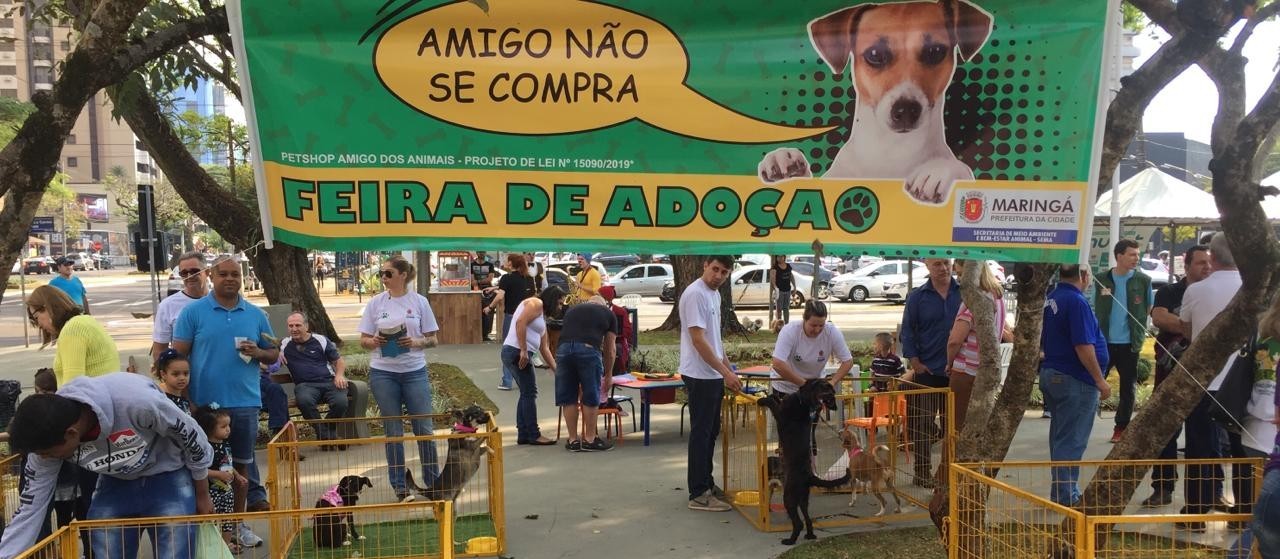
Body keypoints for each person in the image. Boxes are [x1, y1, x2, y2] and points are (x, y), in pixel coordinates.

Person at [0, 373, 214, 559]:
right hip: (116, 479)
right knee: (106, 543)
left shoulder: (138, 403)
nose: (44, 459)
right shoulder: (45, 441)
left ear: (71, 434)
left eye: (47, 454)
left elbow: (194, 440)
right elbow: (30, 507)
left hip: (168, 472)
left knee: (175, 547)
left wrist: (202, 494)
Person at [171, 256, 279, 546]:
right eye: (224, 274)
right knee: (199, 468)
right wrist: (187, 401)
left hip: (245, 403)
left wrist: (259, 352)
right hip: (203, 407)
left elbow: (273, 355)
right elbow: (176, 359)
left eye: (235, 274)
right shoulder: (192, 313)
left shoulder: (256, 314)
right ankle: (204, 529)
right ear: (212, 276)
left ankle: (236, 525)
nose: (230, 279)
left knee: (241, 468)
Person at [358, 255, 441, 502]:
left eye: (388, 273)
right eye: (381, 274)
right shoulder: (375, 303)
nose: (383, 278)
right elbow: (362, 340)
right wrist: (373, 341)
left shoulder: (419, 301)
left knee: (423, 428)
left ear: (403, 275)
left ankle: (433, 482)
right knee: (393, 429)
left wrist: (415, 342)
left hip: (414, 370)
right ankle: (400, 486)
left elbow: (434, 339)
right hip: (384, 371)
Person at [1180, 232, 1243, 527]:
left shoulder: (1196, 291)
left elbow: (1188, 331)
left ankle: (1196, 511)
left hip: (1203, 381)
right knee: (1243, 451)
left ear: (1213, 258)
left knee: (1199, 447)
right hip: (1243, 383)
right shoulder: (1254, 289)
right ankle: (1244, 514)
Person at [1140, 244, 1211, 508]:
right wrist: (1193, 323)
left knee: (1204, 435)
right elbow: (1159, 318)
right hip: (1170, 370)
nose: (1207, 267)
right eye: (1201, 262)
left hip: (1204, 375)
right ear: (1188, 265)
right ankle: (1163, 487)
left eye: (1209, 262)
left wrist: (1181, 321)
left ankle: (1207, 494)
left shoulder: (1211, 291)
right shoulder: (1171, 291)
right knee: (1165, 431)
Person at [1040, 264, 1110, 507]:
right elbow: (1083, 345)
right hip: (1075, 377)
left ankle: (1061, 492)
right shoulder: (1076, 302)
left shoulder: (1052, 298)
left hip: (1055, 373)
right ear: (1084, 275)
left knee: (1061, 438)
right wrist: (1100, 380)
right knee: (1071, 440)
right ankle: (1066, 496)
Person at [680, 255, 742, 511]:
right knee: (701, 434)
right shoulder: (695, 294)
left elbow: (715, 341)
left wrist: (728, 369)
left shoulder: (714, 295)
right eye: (715, 269)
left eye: (724, 272)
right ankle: (698, 493)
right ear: (704, 265)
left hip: (713, 374)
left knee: (711, 431)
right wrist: (724, 372)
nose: (718, 275)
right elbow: (698, 340)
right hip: (699, 374)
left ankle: (706, 482)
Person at [899, 258, 961, 488]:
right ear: (927, 266)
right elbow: (907, 331)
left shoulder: (964, 292)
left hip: (957, 372)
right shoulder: (917, 297)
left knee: (953, 426)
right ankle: (922, 472)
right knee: (922, 423)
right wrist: (915, 363)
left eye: (946, 263)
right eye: (937, 264)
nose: (943, 268)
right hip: (926, 370)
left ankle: (949, 473)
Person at [1094, 239, 1153, 443]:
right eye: (1132, 254)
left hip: (1129, 344)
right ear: (1119, 256)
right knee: (1093, 381)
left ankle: (1121, 427)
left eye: (1138, 254)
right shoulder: (1101, 278)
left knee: (1128, 387)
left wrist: (1136, 332)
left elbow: (1147, 309)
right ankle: (1084, 419)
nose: (1136, 258)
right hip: (1104, 342)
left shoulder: (1143, 280)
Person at [945, 259, 1010, 432]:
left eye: (961, 274)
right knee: (976, 428)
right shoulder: (997, 297)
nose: (959, 280)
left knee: (955, 427)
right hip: (985, 370)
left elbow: (955, 340)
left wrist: (949, 362)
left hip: (965, 371)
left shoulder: (974, 300)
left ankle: (949, 460)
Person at [555, 296, 619, 452]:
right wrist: (609, 374)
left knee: (568, 397)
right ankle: (590, 439)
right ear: (604, 305)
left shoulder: (572, 310)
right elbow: (610, 349)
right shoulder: (608, 314)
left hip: (563, 351)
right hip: (588, 350)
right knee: (591, 395)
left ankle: (572, 440)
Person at [26, 285, 119, 388]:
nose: (38, 324)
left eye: (36, 317)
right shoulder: (85, 320)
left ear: (46, 307)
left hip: (93, 401)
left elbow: (73, 387)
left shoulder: (73, 329)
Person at [503, 286, 563, 446]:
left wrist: (557, 370)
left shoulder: (541, 318)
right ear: (551, 299)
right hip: (516, 350)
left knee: (526, 392)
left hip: (520, 352)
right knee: (530, 392)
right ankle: (533, 434)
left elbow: (545, 348)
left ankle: (523, 434)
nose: (560, 307)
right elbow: (520, 322)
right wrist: (523, 349)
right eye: (558, 303)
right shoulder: (535, 303)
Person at [280, 311, 350, 447]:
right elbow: (271, 357)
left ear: (306, 326)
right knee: (304, 401)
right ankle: (329, 436)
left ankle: (324, 434)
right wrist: (276, 356)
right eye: (290, 326)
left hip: (329, 381)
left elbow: (338, 361)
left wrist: (339, 375)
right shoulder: (284, 344)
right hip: (305, 385)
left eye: (298, 325)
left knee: (341, 402)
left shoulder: (320, 340)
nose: (294, 329)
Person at [194, 405, 248, 554]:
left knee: (227, 519)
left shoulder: (225, 444)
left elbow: (228, 463)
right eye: (223, 426)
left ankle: (225, 546)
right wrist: (218, 475)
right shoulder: (206, 448)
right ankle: (212, 547)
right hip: (211, 493)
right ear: (210, 429)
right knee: (210, 521)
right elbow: (201, 469)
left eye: (228, 425)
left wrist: (237, 476)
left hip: (226, 491)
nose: (228, 429)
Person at [771, 300, 855, 394]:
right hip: (785, 387)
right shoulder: (789, 331)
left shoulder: (832, 332)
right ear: (804, 319)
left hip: (815, 388)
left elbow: (848, 361)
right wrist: (804, 384)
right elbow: (777, 363)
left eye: (821, 325)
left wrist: (832, 382)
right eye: (813, 325)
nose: (817, 330)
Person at [152, 251, 209, 362]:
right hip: (186, 377)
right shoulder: (168, 305)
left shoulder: (219, 301)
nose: (189, 276)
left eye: (194, 271)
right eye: (184, 273)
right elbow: (159, 351)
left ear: (207, 272)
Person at [491, 253, 537, 390]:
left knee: (508, 347)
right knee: (524, 348)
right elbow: (532, 296)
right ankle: (526, 380)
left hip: (512, 317)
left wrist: (489, 307)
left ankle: (507, 381)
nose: (505, 261)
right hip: (527, 317)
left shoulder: (507, 278)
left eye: (507, 260)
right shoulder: (528, 278)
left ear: (511, 263)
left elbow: (500, 296)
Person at [599, 285, 633, 374]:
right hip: (598, 341)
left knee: (614, 349)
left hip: (616, 342)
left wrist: (613, 335)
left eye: (599, 296)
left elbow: (627, 330)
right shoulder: (595, 310)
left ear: (606, 299)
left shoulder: (620, 311)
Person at [155, 348, 194, 414]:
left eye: (186, 373)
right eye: (176, 374)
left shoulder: (183, 400)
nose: (182, 378)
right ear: (163, 374)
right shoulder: (162, 400)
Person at [471, 252, 498, 341]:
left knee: (488, 313)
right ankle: (477, 333)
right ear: (477, 253)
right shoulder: (471, 264)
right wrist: (479, 281)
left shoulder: (490, 265)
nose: (481, 254)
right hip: (474, 291)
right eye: (480, 252)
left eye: (483, 252)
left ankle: (486, 334)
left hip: (488, 291)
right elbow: (471, 280)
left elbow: (490, 278)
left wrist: (478, 281)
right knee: (475, 312)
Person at [770, 255, 794, 324]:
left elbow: (791, 276)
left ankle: (787, 324)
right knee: (779, 309)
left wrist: (794, 286)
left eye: (781, 257)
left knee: (786, 308)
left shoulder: (788, 266)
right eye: (778, 257)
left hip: (787, 290)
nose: (779, 258)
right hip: (779, 290)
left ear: (784, 257)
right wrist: (775, 287)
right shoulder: (775, 267)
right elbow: (773, 278)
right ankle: (779, 325)